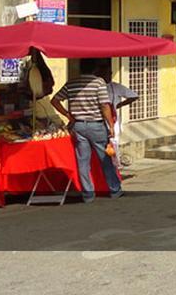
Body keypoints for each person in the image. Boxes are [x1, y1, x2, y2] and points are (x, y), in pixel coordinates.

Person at [51, 60, 123, 203]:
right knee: (105, 159)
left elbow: (55, 100)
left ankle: (88, 195)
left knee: (83, 161)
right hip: (96, 125)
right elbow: (104, 105)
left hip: (78, 126)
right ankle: (114, 189)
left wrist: (67, 114)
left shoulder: (71, 83)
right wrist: (110, 125)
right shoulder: (98, 83)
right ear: (95, 69)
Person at [96, 63, 139, 169]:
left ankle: (115, 164)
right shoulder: (96, 87)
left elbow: (134, 96)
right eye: (105, 74)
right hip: (98, 118)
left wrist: (120, 105)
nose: (107, 76)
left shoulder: (116, 87)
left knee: (114, 141)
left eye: (109, 74)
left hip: (113, 119)